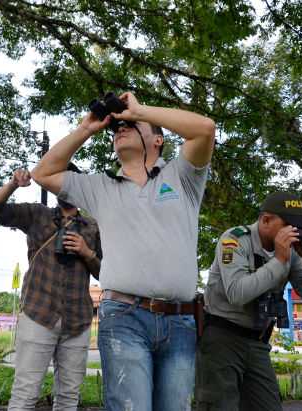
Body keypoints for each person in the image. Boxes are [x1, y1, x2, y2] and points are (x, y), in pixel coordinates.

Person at [31, 91, 215, 411]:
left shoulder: (182, 176)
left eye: (132, 125)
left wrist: (139, 110)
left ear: (157, 141)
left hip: (180, 318)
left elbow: (205, 128)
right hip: (123, 318)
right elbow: (42, 173)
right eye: (116, 128)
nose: (121, 127)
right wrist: (87, 128)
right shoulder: (99, 186)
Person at [0, 167, 101, 411]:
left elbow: (104, 273)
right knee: (25, 393)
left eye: (69, 181)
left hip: (78, 320)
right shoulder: (37, 214)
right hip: (39, 315)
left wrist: (87, 253)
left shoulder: (93, 227)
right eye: (58, 181)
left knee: (69, 397)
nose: (63, 185)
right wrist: (13, 184)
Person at [197, 192, 302, 411]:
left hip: (257, 341)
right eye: (290, 225)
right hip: (222, 338)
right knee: (220, 405)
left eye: (300, 227)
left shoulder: (290, 251)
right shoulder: (235, 239)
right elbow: (237, 293)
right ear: (266, 220)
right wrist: (278, 261)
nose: (297, 232)